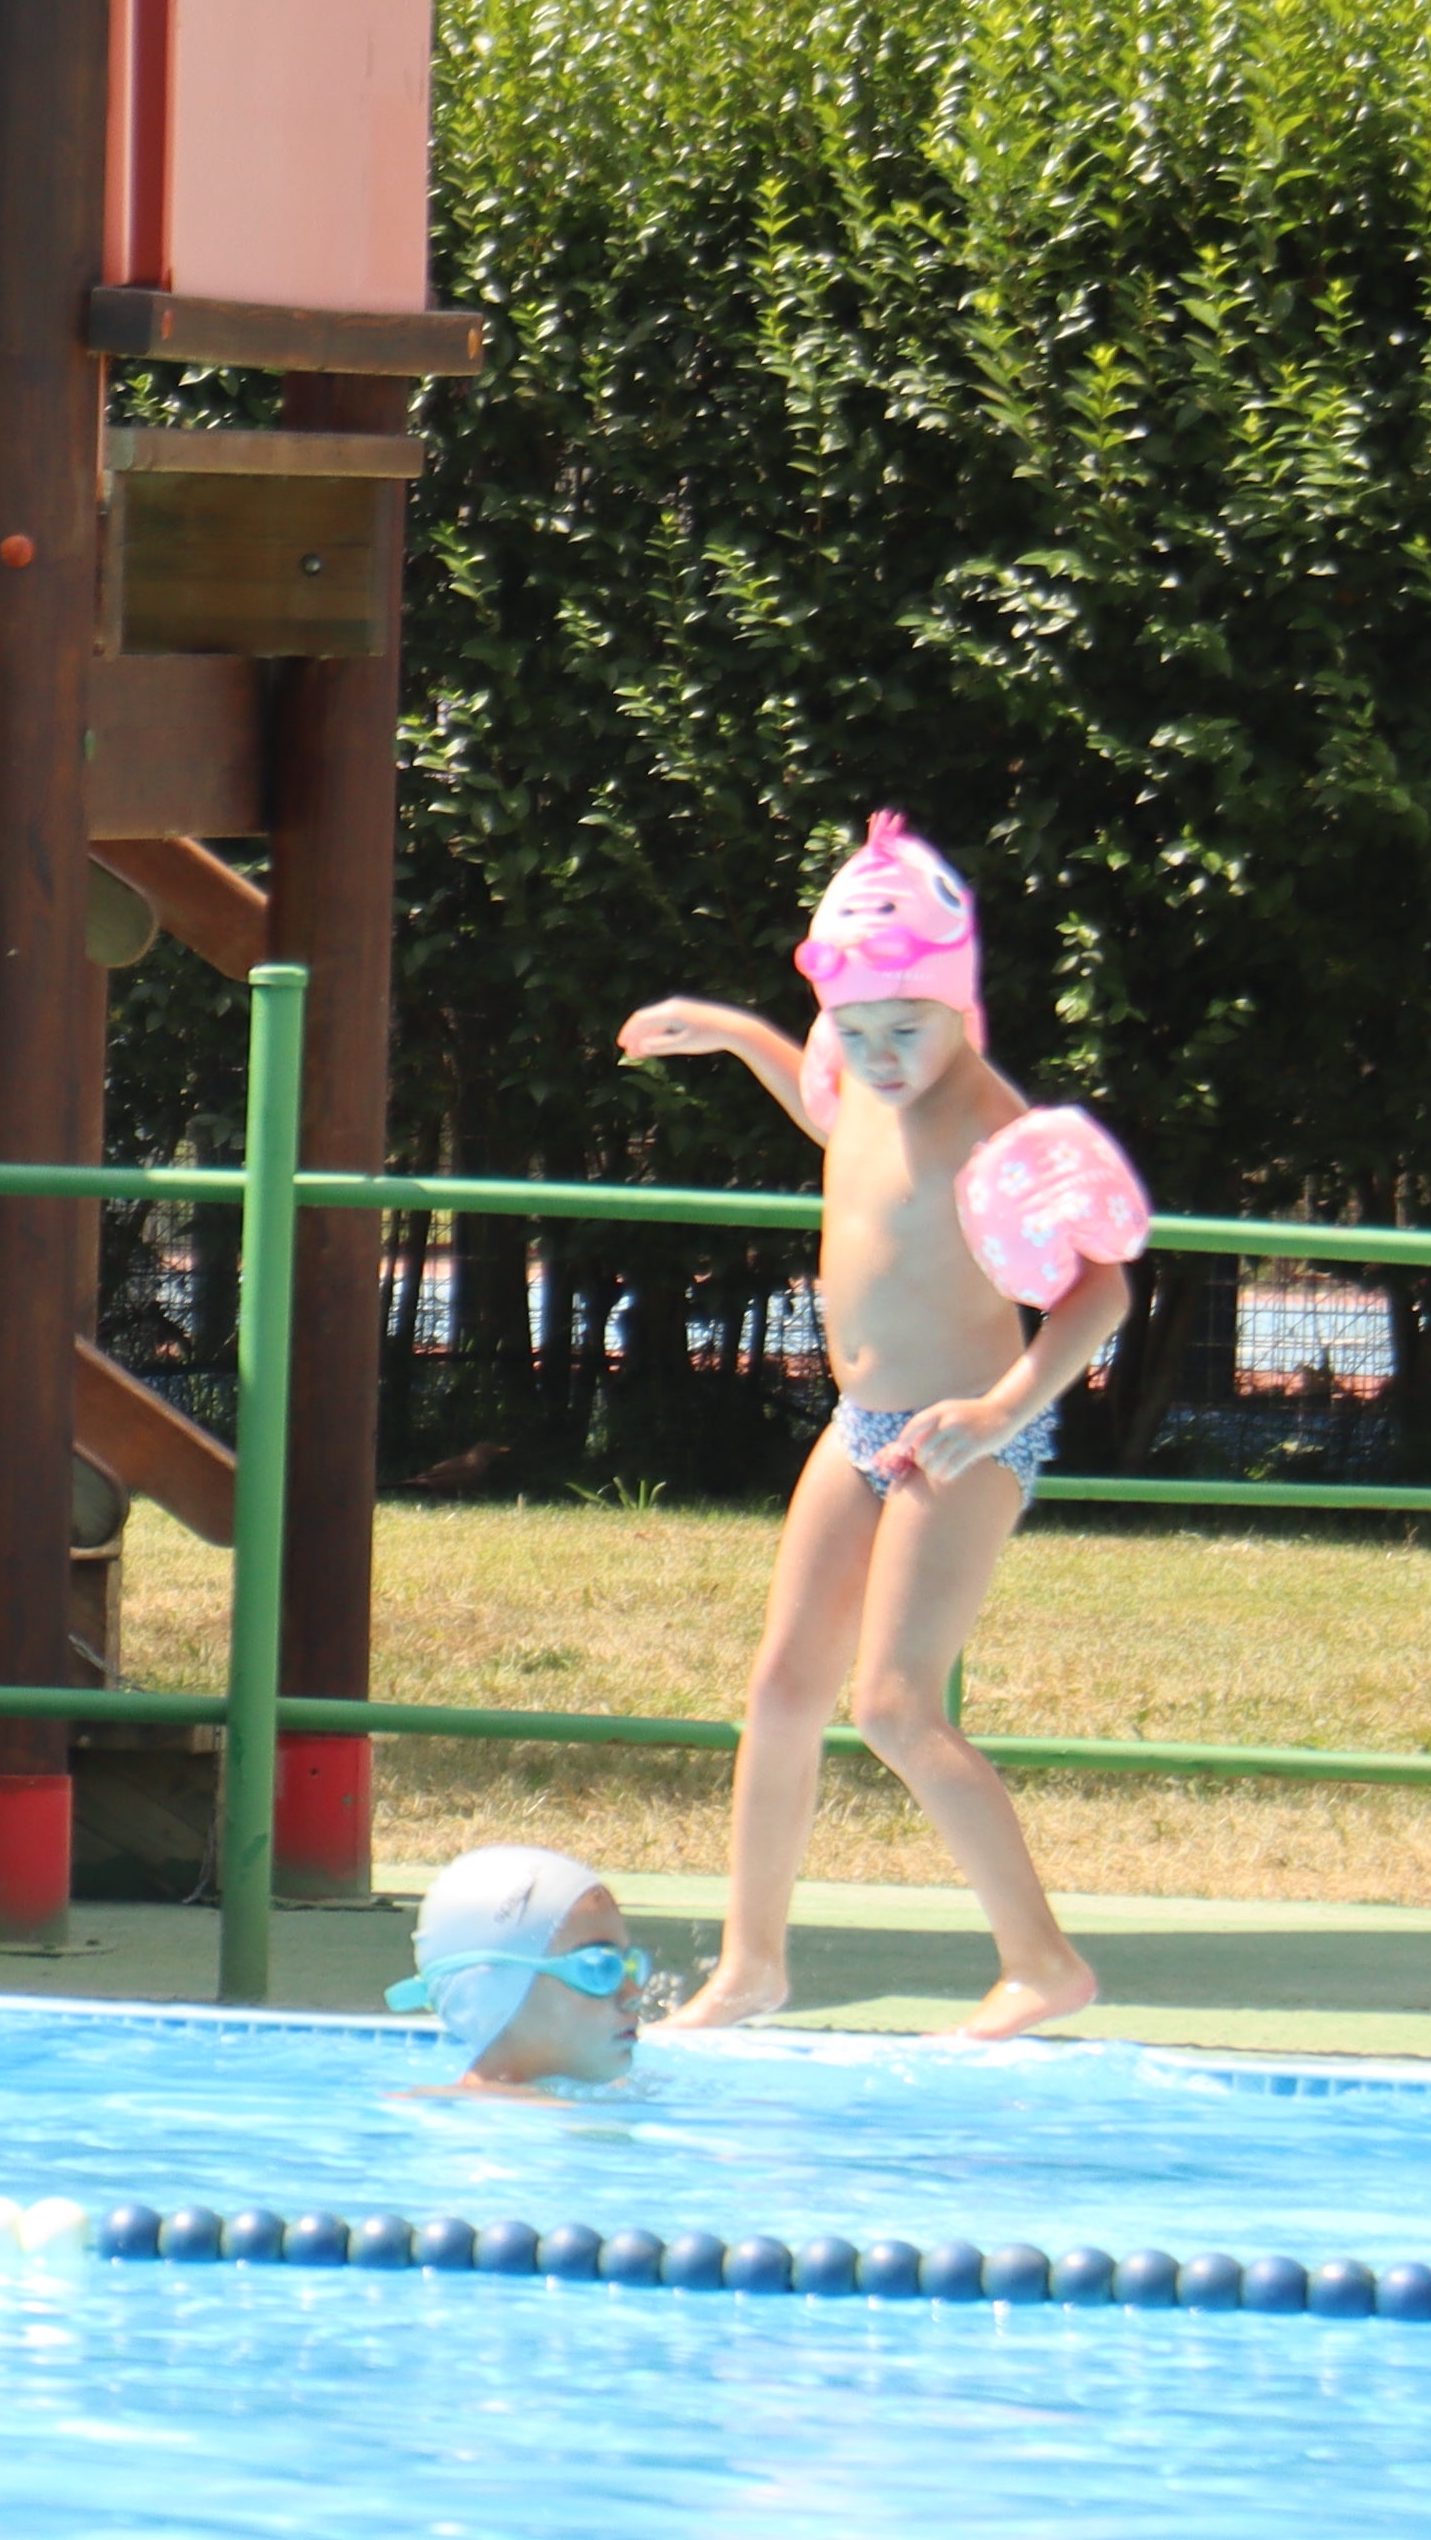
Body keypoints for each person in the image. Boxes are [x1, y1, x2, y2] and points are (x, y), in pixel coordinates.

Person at [616, 812, 1145, 2043]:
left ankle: (1043, 1961)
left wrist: (1004, 1407)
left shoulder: (993, 1125)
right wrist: (740, 1030)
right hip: (861, 1421)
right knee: (783, 1686)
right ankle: (751, 1966)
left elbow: (1102, 1289)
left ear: (964, 1007)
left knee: (898, 1707)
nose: (880, 1055)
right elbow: (831, 1117)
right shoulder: (861, 1070)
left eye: (906, 1028)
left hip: (966, 1432)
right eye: (857, 1031)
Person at [385, 1841, 649, 2099]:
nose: (634, 1993)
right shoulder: (456, 2115)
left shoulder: (616, 2095)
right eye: (601, 1968)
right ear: (493, 1991)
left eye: (631, 1966)